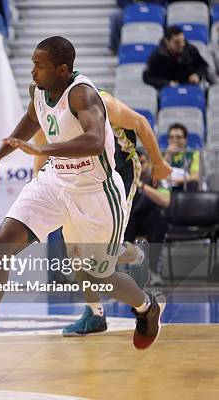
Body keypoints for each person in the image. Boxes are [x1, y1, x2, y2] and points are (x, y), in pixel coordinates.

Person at [0, 36, 165, 372]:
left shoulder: (83, 93)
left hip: (95, 193)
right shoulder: (40, 91)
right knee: (0, 245)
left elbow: (92, 140)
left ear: (62, 69)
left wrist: (42, 151)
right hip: (54, 181)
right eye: (32, 63)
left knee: (94, 279)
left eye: (39, 65)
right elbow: (32, 121)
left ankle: (147, 308)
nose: (32, 71)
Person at [33, 90, 171, 336]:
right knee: (75, 253)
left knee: (99, 255)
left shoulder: (101, 101)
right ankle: (95, 313)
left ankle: (134, 254)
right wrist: (38, 183)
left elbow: (140, 122)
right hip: (80, 180)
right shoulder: (44, 109)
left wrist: (158, 162)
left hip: (119, 174)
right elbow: (42, 148)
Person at [126, 148, 170, 287]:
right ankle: (123, 271)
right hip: (131, 220)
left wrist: (142, 186)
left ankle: (154, 272)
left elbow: (165, 200)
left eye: (142, 162)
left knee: (159, 219)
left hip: (149, 220)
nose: (139, 166)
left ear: (149, 163)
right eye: (136, 163)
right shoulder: (126, 179)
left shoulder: (158, 178)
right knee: (125, 220)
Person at [143, 26, 208, 90]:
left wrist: (197, 75)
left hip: (190, 86)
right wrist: (167, 83)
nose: (182, 45)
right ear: (167, 42)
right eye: (177, 42)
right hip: (168, 89)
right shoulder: (157, 56)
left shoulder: (190, 49)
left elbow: (202, 65)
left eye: (183, 41)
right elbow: (148, 77)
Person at [163, 123, 200, 191]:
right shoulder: (162, 153)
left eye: (178, 137)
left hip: (184, 186)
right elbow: (157, 173)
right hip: (166, 187)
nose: (174, 140)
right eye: (171, 137)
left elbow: (196, 176)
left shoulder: (193, 153)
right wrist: (168, 154)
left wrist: (176, 180)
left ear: (185, 140)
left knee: (193, 184)